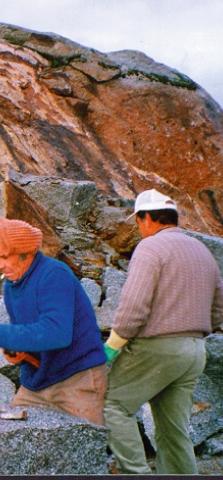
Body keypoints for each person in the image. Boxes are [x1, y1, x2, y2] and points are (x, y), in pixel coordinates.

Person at [102, 189, 223, 475]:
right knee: (174, 431)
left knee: (111, 403)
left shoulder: (150, 248)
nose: (139, 228)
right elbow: (219, 308)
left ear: (147, 218)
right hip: (194, 352)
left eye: (138, 221)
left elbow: (134, 308)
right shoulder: (201, 251)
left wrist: (111, 347)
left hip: (156, 348)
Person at [0, 216, 108, 425]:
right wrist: (15, 349)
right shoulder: (12, 284)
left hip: (77, 379)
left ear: (26, 255)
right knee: (13, 435)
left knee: (83, 450)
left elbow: (57, 333)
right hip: (37, 381)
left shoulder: (54, 275)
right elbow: (27, 331)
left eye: (5, 257)